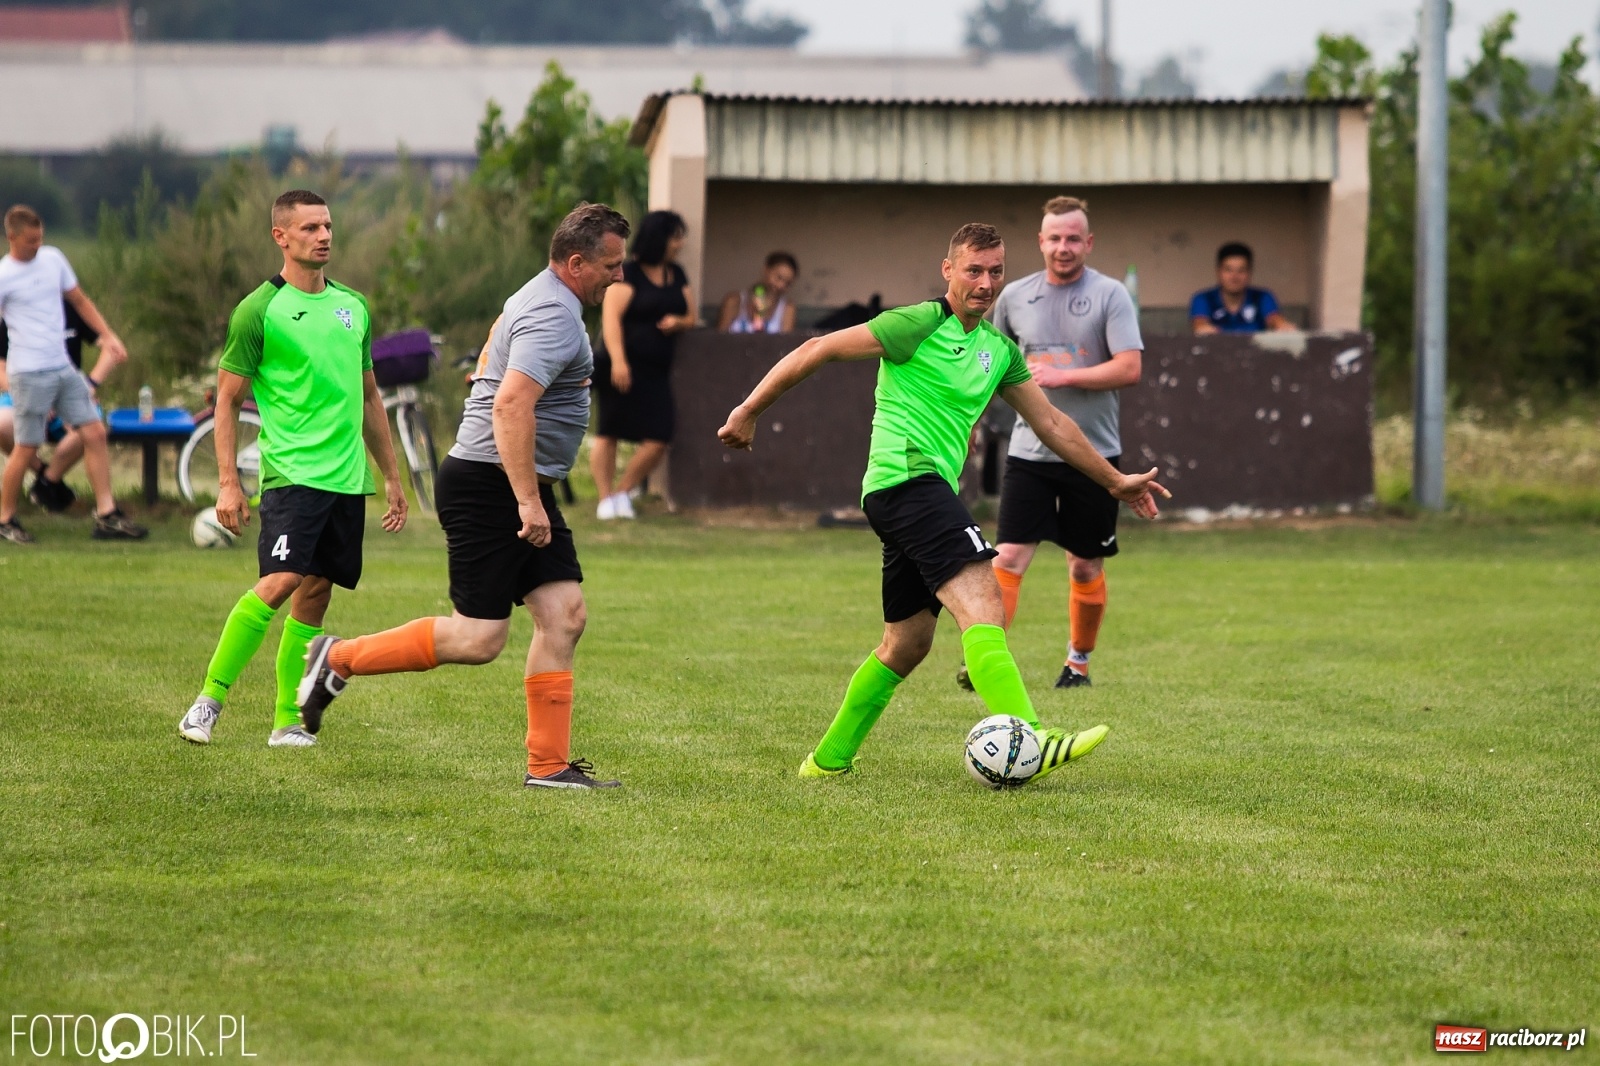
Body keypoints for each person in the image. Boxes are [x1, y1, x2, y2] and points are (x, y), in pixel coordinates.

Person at [717, 223, 1169, 780]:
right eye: (973, 270)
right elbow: (819, 348)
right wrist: (748, 410)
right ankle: (1034, 735)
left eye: (996, 272)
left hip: (914, 493)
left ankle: (827, 762)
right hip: (908, 481)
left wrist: (1114, 481)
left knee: (905, 644)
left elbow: (1051, 423)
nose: (986, 283)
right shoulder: (916, 323)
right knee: (984, 598)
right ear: (948, 270)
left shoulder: (999, 350)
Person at [294, 202, 631, 790]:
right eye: (611, 265)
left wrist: (531, 494)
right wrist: (527, 502)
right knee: (478, 638)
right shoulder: (553, 315)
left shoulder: (543, 297)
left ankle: (548, 767)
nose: (619, 276)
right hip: (493, 485)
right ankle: (339, 658)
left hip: (510, 482)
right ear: (577, 263)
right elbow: (511, 405)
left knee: (564, 615)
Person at [177, 189, 408, 749]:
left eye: (327, 226)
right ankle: (208, 701)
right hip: (292, 475)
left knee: (316, 592)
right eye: (309, 228)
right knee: (280, 581)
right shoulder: (259, 310)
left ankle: (287, 722)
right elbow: (227, 400)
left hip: (346, 479)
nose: (323, 236)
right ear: (280, 237)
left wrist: (392, 476)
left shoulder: (353, 306)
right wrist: (228, 483)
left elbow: (370, 397)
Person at [959, 195, 1142, 692]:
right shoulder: (1014, 297)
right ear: (1040, 242)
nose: (1063, 247)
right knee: (1007, 557)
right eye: (1055, 238)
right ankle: (986, 661)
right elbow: (988, 365)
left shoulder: (1110, 295)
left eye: (1073, 239)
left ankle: (1077, 664)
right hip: (1030, 452)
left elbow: (1129, 367)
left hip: (1093, 455)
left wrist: (1065, 375)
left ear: (1089, 242)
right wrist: (971, 420)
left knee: (1083, 564)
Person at [0, 204, 143, 543]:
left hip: (63, 368)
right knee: (26, 446)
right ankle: (5, 519)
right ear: (12, 237)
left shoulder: (54, 259)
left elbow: (80, 300)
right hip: (29, 373)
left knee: (94, 432)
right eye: (31, 241)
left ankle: (106, 515)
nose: (38, 246)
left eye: (40, 239)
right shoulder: (4, 275)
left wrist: (108, 335)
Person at [590, 210, 695, 520]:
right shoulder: (629, 273)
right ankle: (605, 499)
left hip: (656, 370)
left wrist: (678, 322)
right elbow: (611, 319)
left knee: (660, 436)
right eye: (675, 237)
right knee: (609, 431)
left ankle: (623, 491)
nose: (680, 243)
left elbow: (691, 315)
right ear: (659, 239)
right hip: (621, 365)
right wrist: (619, 362)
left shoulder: (677, 274)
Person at [0, 298, 104, 512]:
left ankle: (47, 482)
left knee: (93, 427)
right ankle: (40, 479)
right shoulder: (14, 313)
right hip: (24, 391)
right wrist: (32, 398)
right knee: (2, 424)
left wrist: (90, 384)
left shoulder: (74, 308)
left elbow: (112, 347)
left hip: (67, 393)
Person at [1190, 242, 1293, 334]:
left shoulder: (1262, 296)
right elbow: (1199, 322)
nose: (1234, 277)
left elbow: (1274, 318)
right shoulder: (1203, 298)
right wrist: (1202, 328)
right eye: (1228, 270)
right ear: (1218, 272)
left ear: (1249, 273)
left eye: (1241, 270)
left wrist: (1281, 325)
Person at [717, 251, 799, 334]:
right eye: (778, 278)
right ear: (766, 270)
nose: (781, 285)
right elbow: (720, 337)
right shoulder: (734, 301)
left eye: (787, 283)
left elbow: (786, 340)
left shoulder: (787, 308)